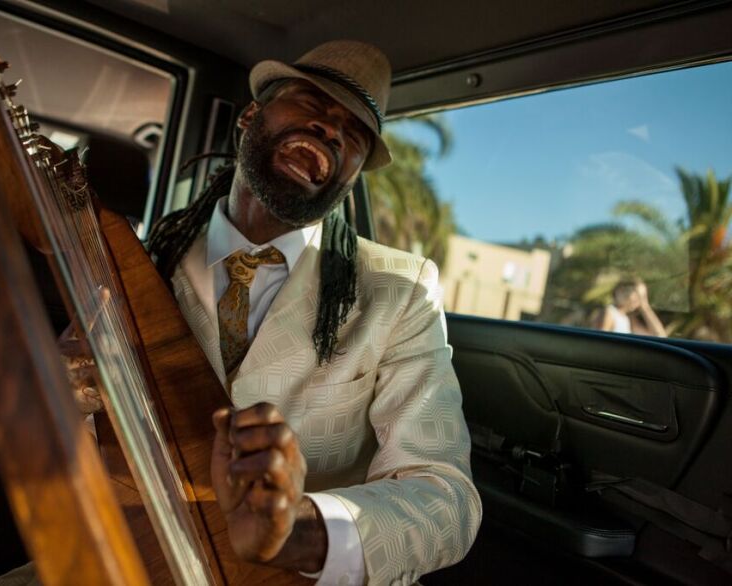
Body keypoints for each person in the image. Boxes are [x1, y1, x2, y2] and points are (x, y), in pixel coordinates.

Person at [70, 40, 481, 585]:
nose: (332, 129)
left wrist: (296, 531)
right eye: (312, 102)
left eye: (354, 133)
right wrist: (64, 397)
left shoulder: (401, 290)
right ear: (250, 115)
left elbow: (445, 501)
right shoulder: (139, 268)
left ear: (352, 175)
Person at [599, 278, 667, 337]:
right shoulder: (610, 312)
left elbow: (659, 335)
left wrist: (645, 307)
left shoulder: (628, 319)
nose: (639, 300)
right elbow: (601, 340)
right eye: (636, 293)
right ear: (621, 291)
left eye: (643, 297)